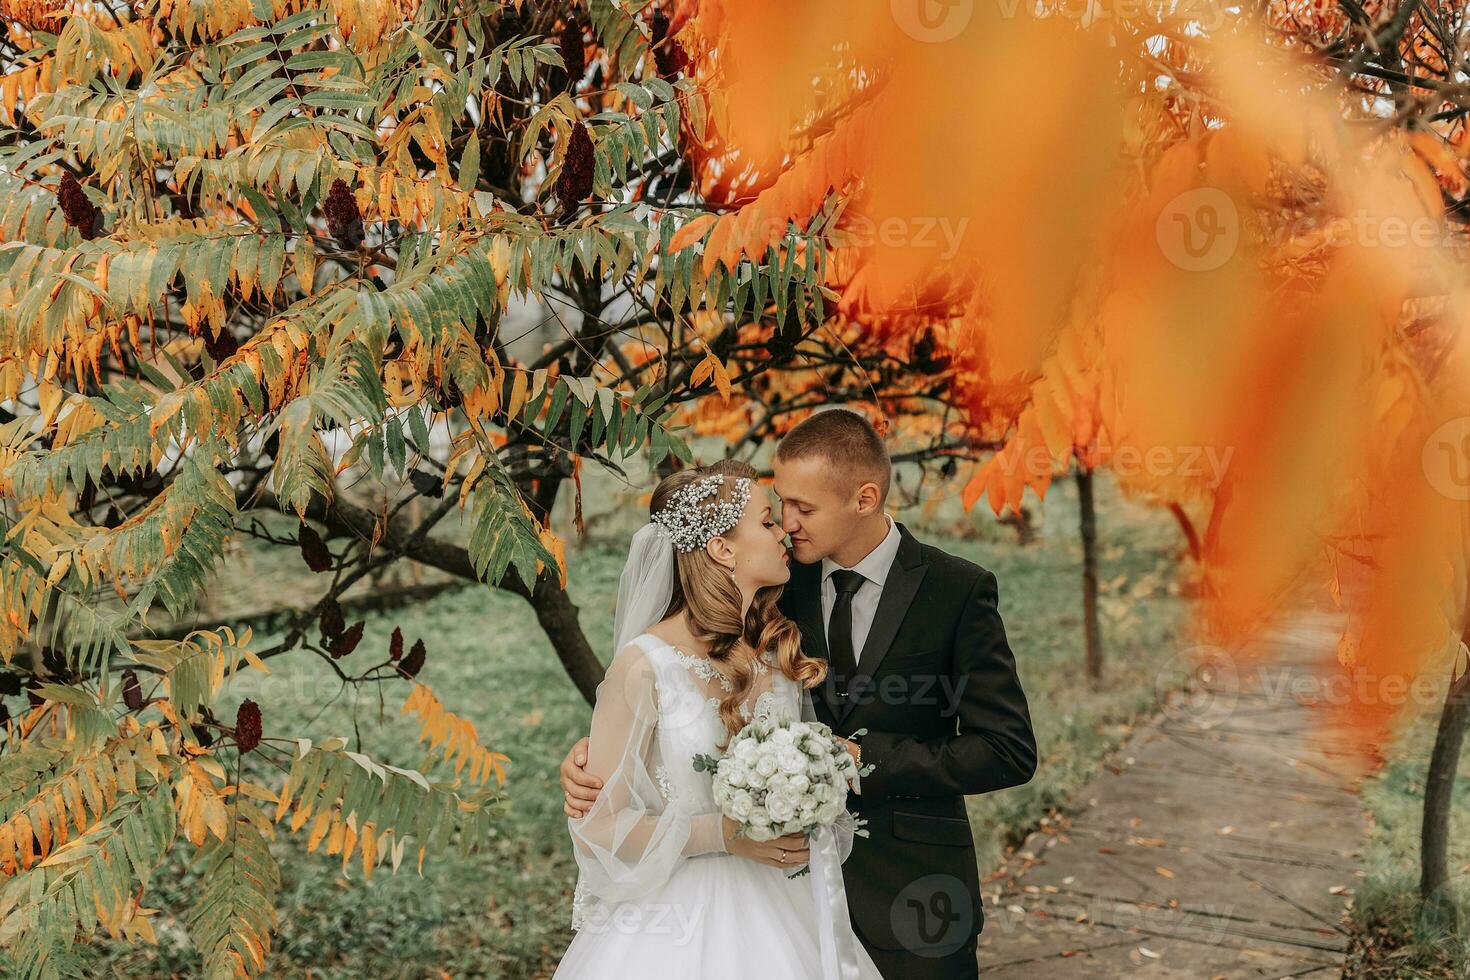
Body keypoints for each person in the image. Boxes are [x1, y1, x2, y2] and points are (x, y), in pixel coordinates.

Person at [562, 408, 1039, 979]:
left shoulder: (956, 592)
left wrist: (866, 761)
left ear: (864, 499)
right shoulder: (775, 587)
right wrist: (592, 761)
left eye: (802, 508)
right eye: (777, 508)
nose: (787, 524)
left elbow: (1008, 748)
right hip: (772, 899)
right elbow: (682, 688)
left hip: (908, 883)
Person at [552, 457, 885, 979]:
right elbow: (600, 825)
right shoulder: (644, 666)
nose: (784, 534)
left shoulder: (776, 659)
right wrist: (725, 835)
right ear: (721, 547)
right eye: (767, 521)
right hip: (677, 925)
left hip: (783, 903)